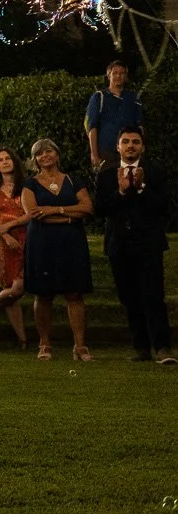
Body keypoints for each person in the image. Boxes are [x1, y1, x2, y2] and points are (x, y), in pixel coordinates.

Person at [94, 128, 175, 364]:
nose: (131, 146)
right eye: (126, 142)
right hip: (119, 244)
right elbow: (100, 210)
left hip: (148, 244)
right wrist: (120, 191)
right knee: (129, 297)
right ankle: (141, 347)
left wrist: (141, 188)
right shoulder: (107, 174)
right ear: (118, 146)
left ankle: (162, 346)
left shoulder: (155, 172)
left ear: (143, 147)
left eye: (136, 142)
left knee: (153, 295)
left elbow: (163, 208)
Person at [22, 138, 95, 363]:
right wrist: (69, 216)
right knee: (43, 294)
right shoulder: (29, 184)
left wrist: (55, 210)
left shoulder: (73, 180)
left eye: (49, 151)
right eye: (40, 154)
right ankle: (44, 343)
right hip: (42, 243)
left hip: (72, 242)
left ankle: (80, 345)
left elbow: (87, 207)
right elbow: (34, 213)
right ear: (35, 160)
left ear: (57, 154)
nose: (45, 156)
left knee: (75, 293)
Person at [0, 147, 30, 348]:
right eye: (0, 160)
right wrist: (6, 236)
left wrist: (10, 227)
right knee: (12, 288)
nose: (4, 162)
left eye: (8, 158)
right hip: (3, 242)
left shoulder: (26, 187)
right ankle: (23, 339)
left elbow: (29, 214)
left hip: (26, 238)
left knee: (19, 288)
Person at [86, 59, 143, 171]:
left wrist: (141, 151)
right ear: (109, 75)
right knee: (107, 184)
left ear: (126, 76)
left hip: (129, 152)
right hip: (107, 153)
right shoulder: (99, 97)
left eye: (122, 73)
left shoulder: (133, 98)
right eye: (115, 73)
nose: (118, 76)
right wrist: (94, 154)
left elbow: (140, 126)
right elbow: (92, 127)